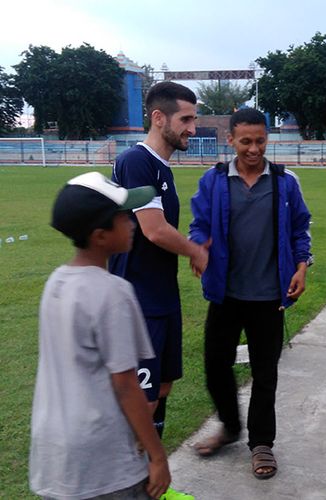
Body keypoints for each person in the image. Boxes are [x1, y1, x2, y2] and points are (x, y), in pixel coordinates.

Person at [188, 108, 312, 480]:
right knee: (214, 366)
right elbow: (199, 224)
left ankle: (262, 444)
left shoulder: (284, 182)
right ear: (231, 140)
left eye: (260, 141)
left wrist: (302, 266)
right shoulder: (213, 181)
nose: (254, 149)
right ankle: (229, 426)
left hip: (267, 296)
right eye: (245, 141)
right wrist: (199, 246)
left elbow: (300, 229)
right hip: (225, 294)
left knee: (265, 373)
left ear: (267, 139)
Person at [30, 172, 170, 500]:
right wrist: (158, 456)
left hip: (56, 451)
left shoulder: (56, 283)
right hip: (103, 457)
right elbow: (125, 385)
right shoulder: (113, 292)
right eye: (123, 217)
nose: (133, 222)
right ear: (100, 236)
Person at [109, 81, 206, 500]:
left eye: (194, 119)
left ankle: (153, 487)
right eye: (185, 119)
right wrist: (196, 252)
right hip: (138, 302)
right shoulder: (137, 161)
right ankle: (128, 487)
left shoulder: (162, 168)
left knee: (162, 388)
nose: (192, 128)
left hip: (161, 298)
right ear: (159, 118)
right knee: (142, 400)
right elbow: (152, 230)